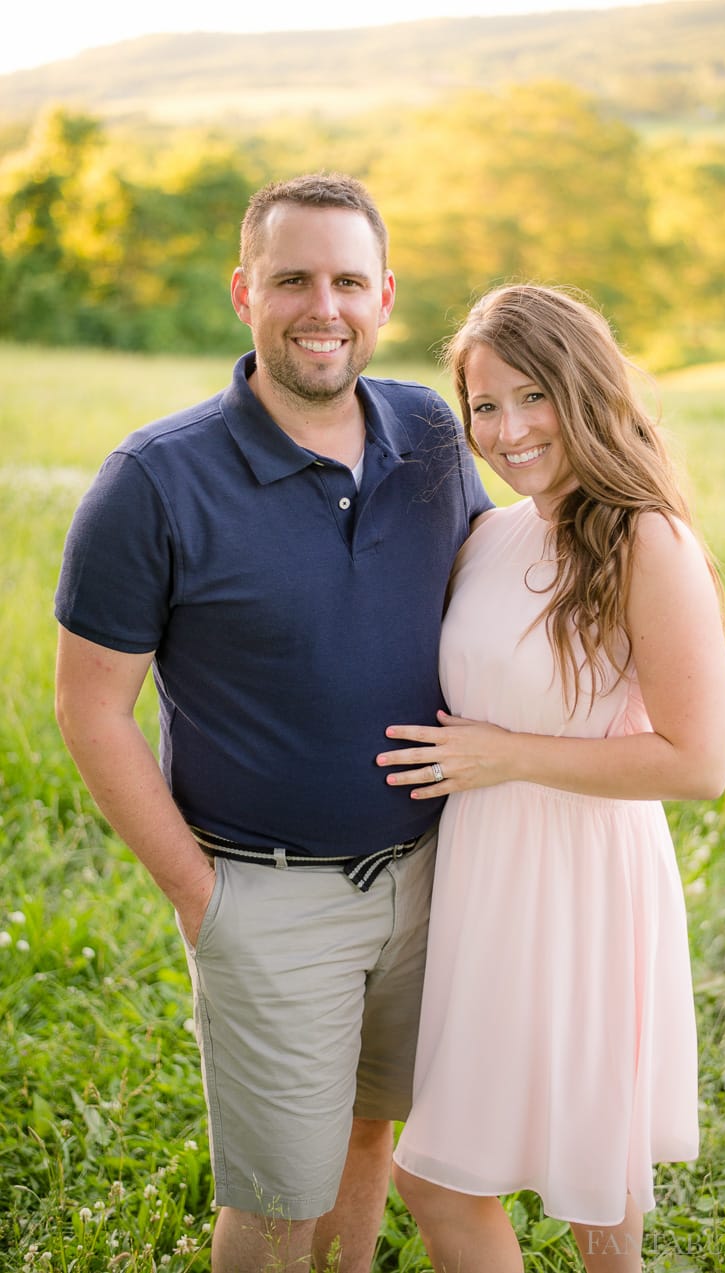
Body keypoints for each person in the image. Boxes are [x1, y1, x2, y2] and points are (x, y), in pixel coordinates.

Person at [53, 172, 491, 1273]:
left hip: (436, 876)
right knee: (273, 1206)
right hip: (267, 896)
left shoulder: (431, 434)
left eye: (348, 280)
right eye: (292, 279)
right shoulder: (154, 481)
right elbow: (91, 708)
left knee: (370, 1127)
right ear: (243, 291)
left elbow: (493, 582)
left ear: (385, 294)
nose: (322, 307)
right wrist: (204, 901)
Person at [375, 284, 725, 1273]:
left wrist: (505, 755)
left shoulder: (640, 538)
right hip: (484, 877)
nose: (507, 429)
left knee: (489, 1178)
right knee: (514, 1170)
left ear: (582, 390)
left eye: (531, 396)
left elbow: (700, 761)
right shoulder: (491, 536)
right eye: (484, 406)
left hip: (580, 878)